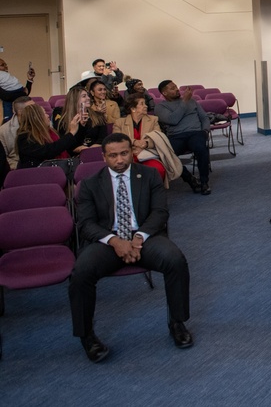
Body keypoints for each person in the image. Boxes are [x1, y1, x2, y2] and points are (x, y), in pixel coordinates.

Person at [70, 133, 192, 363]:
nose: (120, 160)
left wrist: (138, 238)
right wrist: (116, 242)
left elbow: (160, 212)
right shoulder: (89, 185)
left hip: (144, 236)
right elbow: (86, 224)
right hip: (107, 241)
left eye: (124, 153)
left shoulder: (149, 176)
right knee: (81, 273)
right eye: (113, 155)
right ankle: (87, 336)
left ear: (132, 153)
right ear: (104, 157)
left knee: (175, 260)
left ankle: (177, 322)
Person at [154, 81, 212, 194]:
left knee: (201, 149)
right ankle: (190, 179)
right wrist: (185, 101)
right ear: (164, 93)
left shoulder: (192, 101)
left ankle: (204, 182)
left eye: (176, 87)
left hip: (195, 133)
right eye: (172, 88)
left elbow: (204, 117)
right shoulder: (160, 107)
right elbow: (173, 120)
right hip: (176, 136)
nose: (176, 89)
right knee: (166, 155)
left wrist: (205, 131)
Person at [113, 94, 184, 185]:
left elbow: (158, 137)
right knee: (130, 173)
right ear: (133, 108)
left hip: (147, 153)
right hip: (127, 155)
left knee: (158, 169)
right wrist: (134, 142)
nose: (146, 106)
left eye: (145, 103)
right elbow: (117, 139)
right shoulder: (120, 122)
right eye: (142, 104)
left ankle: (154, 192)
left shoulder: (153, 120)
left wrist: (146, 143)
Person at [16, 102, 85, 168]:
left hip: (59, 168)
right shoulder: (24, 138)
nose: (48, 115)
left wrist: (80, 126)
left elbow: (63, 147)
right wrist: (71, 132)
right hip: (38, 174)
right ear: (36, 118)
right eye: (44, 113)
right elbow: (49, 151)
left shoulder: (50, 131)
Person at [0, 56, 35, 122]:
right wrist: (23, 93)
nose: (6, 67)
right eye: (2, 65)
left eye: (5, 64)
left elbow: (24, 94)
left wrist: (30, 80)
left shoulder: (8, 81)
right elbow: (7, 97)